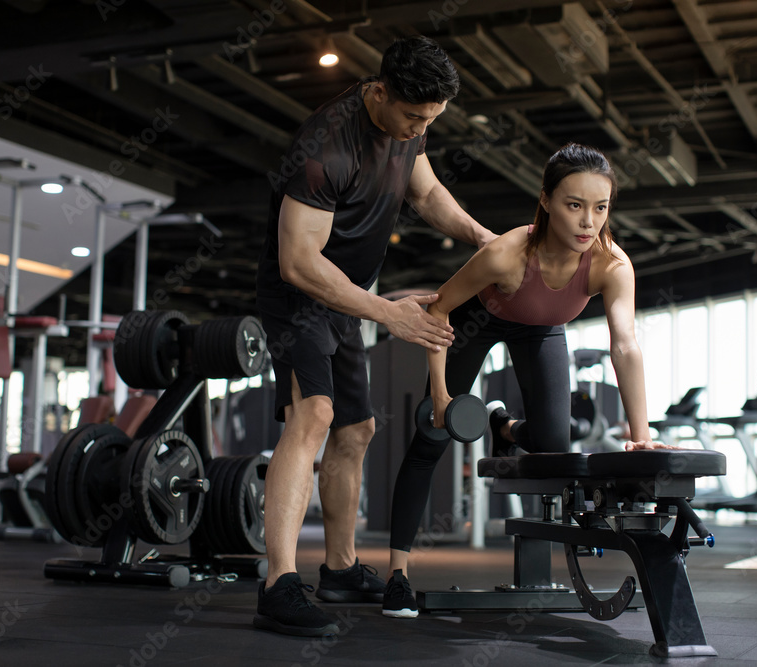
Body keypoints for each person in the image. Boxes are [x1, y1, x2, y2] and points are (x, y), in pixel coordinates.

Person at [254, 36, 497, 637]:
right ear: (380, 92)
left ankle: (339, 570)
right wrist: (389, 315)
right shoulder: (324, 148)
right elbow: (299, 263)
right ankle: (278, 583)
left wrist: (484, 239)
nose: (421, 128)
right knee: (313, 414)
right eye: (414, 116)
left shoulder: (410, 125)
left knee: (357, 428)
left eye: (432, 119)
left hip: (348, 298)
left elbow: (426, 191)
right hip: (299, 298)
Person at [383, 143, 664, 619]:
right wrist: (441, 396)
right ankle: (397, 574)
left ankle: (504, 428)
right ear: (547, 200)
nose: (588, 222)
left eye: (600, 208)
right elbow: (439, 309)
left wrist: (642, 437)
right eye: (574, 205)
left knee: (555, 447)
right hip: (477, 321)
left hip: (542, 329)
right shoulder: (505, 254)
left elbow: (625, 345)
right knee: (431, 438)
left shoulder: (611, 264)